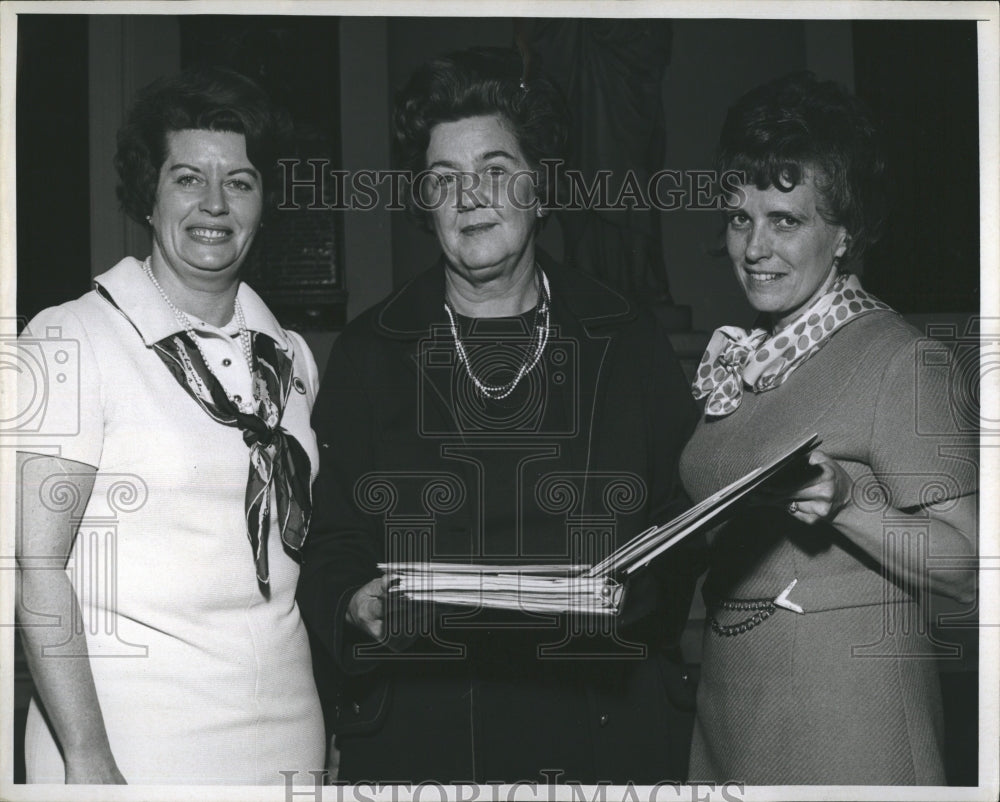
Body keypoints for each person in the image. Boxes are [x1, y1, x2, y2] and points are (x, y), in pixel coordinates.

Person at [297, 47, 701, 784]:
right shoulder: (370, 353)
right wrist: (354, 599)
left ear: (540, 190)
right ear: (426, 204)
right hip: (424, 734)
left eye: (493, 169)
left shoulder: (625, 338)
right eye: (443, 178)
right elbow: (330, 543)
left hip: (602, 728)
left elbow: (681, 522)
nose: (470, 196)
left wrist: (634, 592)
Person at [14, 66, 325, 784]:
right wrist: (87, 757)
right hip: (132, 741)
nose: (214, 203)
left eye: (240, 182)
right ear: (147, 195)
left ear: (263, 202)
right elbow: (37, 569)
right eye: (188, 178)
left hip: (287, 736)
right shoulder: (72, 339)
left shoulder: (292, 358)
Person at [680, 71, 977, 785]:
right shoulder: (746, 361)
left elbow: (969, 568)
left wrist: (850, 505)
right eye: (739, 217)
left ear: (843, 235)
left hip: (847, 725)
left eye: (786, 220)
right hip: (731, 714)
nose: (755, 247)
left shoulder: (902, 360)